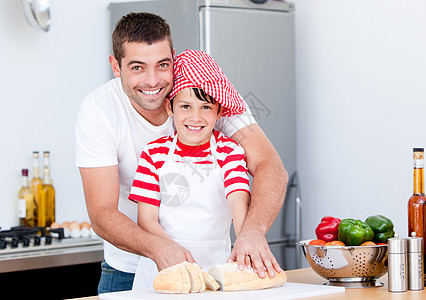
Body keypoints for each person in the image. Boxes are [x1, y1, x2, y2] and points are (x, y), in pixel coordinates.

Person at [75, 12, 288, 294]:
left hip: (216, 267)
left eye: (162, 65)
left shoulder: (208, 92)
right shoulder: (100, 110)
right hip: (127, 268)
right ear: (116, 66)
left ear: (173, 57)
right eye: (137, 67)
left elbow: (269, 165)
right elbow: (102, 212)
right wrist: (160, 248)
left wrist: (251, 231)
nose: (152, 81)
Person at [129, 49, 252, 290]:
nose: (195, 117)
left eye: (206, 107)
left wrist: (246, 242)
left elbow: (238, 202)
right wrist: (177, 256)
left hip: (217, 270)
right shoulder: (153, 154)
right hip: (163, 269)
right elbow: (146, 220)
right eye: (185, 106)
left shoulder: (230, 152)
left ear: (218, 111)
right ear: (169, 108)